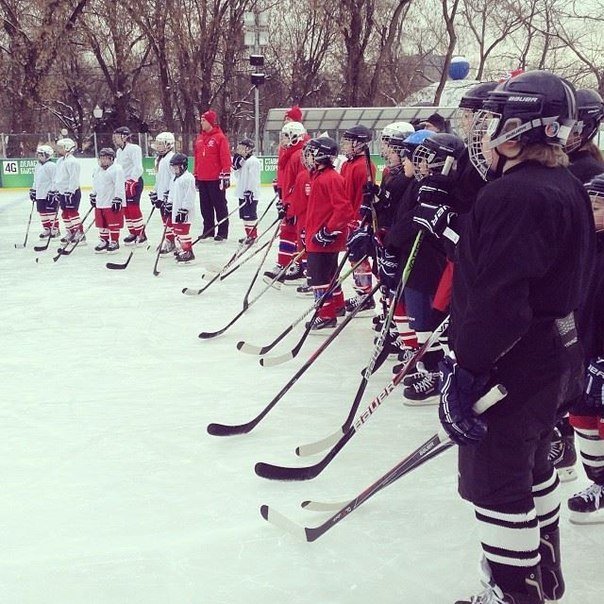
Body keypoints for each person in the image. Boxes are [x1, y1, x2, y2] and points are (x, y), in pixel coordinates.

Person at [441, 71, 594, 604]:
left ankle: (514, 592)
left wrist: (468, 368)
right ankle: (543, 575)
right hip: (555, 357)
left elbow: (501, 300)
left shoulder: (514, 195)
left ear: (520, 124)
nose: (483, 131)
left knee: (497, 480)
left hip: (516, 363)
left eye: (493, 119)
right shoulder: (566, 185)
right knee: (532, 466)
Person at [567, 174, 604, 524]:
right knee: (581, 416)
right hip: (583, 348)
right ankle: (598, 481)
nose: (587, 213)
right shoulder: (584, 246)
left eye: (595, 207)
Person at [304, 136, 353, 332]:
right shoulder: (319, 175)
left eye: (312, 152)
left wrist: (328, 230)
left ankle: (325, 315)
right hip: (318, 236)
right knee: (330, 273)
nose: (308, 156)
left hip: (323, 240)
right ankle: (337, 306)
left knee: (319, 277)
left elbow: (344, 209)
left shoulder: (330, 178)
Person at [339, 124, 377, 316]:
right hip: (348, 219)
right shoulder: (347, 164)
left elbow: (363, 199)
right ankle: (362, 292)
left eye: (348, 141)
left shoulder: (364, 166)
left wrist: (359, 220)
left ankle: (365, 295)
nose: (344, 145)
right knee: (354, 258)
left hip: (358, 221)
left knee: (359, 257)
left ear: (359, 143)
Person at [193, 109, 231, 241]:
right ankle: (208, 230)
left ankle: (222, 231)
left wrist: (226, 174)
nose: (201, 123)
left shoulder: (220, 138)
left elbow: (225, 157)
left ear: (210, 122)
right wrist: (196, 174)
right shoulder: (199, 138)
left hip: (215, 178)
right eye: (201, 120)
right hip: (202, 178)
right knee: (205, 206)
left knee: (219, 205)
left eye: (203, 120)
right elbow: (197, 158)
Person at [113, 126, 146, 244]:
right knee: (125, 209)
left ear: (125, 137)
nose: (115, 139)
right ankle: (133, 232)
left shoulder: (134, 149)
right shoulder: (119, 151)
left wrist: (132, 180)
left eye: (118, 137)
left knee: (133, 208)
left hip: (134, 183)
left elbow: (138, 167)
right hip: (123, 183)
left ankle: (141, 234)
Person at [89, 147, 125, 253]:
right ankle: (104, 241)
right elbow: (95, 183)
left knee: (113, 223)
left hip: (111, 201)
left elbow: (119, 185)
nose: (103, 160)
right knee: (102, 223)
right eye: (101, 158)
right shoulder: (97, 169)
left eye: (106, 158)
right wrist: (93, 194)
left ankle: (114, 241)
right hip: (100, 201)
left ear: (111, 159)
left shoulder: (117, 169)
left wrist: (118, 199)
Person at [53, 137, 84, 244]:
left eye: (60, 147)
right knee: (65, 213)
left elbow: (74, 178)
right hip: (62, 192)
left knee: (73, 213)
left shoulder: (72, 162)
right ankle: (70, 232)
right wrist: (57, 190)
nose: (58, 149)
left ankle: (79, 233)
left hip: (72, 193)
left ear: (67, 148)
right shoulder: (60, 161)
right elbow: (57, 177)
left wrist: (70, 191)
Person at [150, 132, 176, 255]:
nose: (158, 146)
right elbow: (159, 179)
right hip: (162, 196)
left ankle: (172, 241)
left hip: (170, 197)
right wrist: (155, 192)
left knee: (170, 220)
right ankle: (169, 240)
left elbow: (174, 179)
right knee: (165, 219)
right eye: (158, 143)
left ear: (168, 144)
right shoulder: (159, 159)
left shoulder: (171, 159)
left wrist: (168, 195)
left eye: (161, 144)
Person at [167, 153, 197, 263]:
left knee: (183, 232)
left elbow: (190, 195)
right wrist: (169, 203)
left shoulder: (188, 178)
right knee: (177, 231)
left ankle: (188, 252)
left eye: (176, 167)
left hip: (184, 211)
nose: (174, 170)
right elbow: (172, 192)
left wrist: (184, 209)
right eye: (173, 167)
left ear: (183, 166)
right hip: (176, 210)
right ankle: (183, 249)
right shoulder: (175, 178)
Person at [232, 138, 261, 244]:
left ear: (248, 149)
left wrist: (250, 191)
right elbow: (237, 176)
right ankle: (249, 235)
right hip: (242, 193)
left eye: (242, 147)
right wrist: (236, 166)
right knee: (244, 216)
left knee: (250, 216)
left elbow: (254, 178)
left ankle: (253, 236)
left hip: (250, 194)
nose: (239, 149)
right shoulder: (243, 161)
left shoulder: (253, 161)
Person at [31, 145, 58, 239]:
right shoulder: (37, 166)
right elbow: (36, 180)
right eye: (38, 155)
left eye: (41, 155)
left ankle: (55, 229)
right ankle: (47, 229)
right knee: (42, 212)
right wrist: (33, 190)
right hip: (40, 194)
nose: (39, 157)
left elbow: (55, 180)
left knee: (51, 212)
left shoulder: (52, 166)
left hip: (48, 194)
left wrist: (53, 191)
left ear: (48, 155)